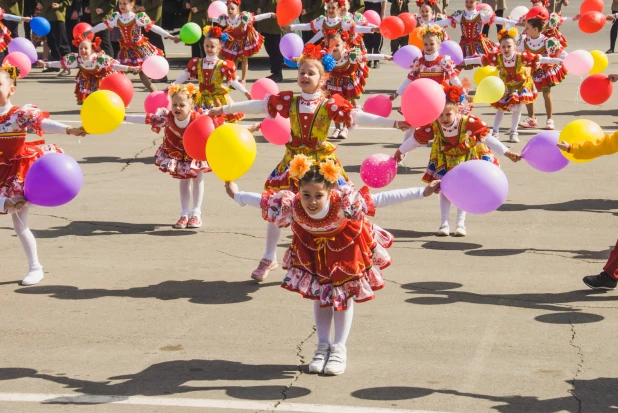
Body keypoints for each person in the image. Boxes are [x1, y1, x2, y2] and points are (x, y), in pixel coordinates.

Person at [208, 45, 410, 281]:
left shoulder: (329, 104)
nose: (305, 76)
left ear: (322, 79)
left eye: (311, 73)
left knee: (342, 205)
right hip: (292, 162)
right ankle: (268, 256)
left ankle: (349, 253)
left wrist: (394, 124)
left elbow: (358, 116)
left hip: (322, 164)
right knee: (276, 205)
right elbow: (257, 106)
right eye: (302, 72)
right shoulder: (288, 101)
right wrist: (222, 108)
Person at [225, 156, 440, 375]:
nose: (312, 201)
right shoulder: (292, 204)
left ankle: (339, 348)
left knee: (343, 296)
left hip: (345, 250)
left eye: (319, 195)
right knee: (321, 295)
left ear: (330, 192)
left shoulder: (344, 202)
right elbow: (261, 200)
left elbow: (382, 198)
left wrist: (422, 192)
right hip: (314, 252)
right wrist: (237, 195)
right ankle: (322, 345)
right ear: (298, 190)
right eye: (306, 195)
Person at [0, 63, 87, 286]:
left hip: (18, 171)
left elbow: (41, 123)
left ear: (11, 90)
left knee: (19, 224)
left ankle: (35, 267)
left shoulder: (18, 114)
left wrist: (69, 129)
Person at [394, 85, 520, 237]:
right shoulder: (433, 125)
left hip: (466, 158)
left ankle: (460, 224)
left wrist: (507, 152)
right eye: (440, 115)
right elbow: (415, 139)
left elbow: (488, 139)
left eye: (448, 114)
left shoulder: (469, 122)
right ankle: (444, 223)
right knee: (445, 190)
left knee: (463, 190)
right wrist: (400, 151)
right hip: (444, 159)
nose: (444, 118)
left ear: (457, 111)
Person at [124, 84, 214, 229]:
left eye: (182, 105)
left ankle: (196, 213)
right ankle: (184, 214)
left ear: (191, 106)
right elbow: (147, 119)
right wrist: (124, 116)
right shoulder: (167, 117)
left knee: (198, 179)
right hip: (178, 152)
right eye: (175, 104)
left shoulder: (199, 118)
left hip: (196, 152)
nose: (177, 108)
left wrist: (248, 128)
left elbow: (219, 128)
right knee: (184, 181)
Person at [463, 27, 561, 143]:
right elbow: (479, 60)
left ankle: (514, 132)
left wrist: (558, 61)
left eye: (509, 46)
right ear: (500, 47)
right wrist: (463, 62)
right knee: (500, 108)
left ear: (515, 46)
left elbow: (540, 58)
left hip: (520, 86)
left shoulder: (521, 56)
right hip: (505, 87)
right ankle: (495, 132)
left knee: (517, 109)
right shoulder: (497, 58)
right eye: (503, 46)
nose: (506, 49)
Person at [83, 0, 180, 92]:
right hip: (126, 49)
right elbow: (103, 25)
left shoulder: (138, 17)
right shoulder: (117, 17)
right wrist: (90, 31)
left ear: (132, 4)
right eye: (120, 3)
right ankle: (118, 96)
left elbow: (154, 28)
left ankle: (155, 95)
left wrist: (170, 36)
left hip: (140, 49)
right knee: (118, 73)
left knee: (143, 77)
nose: (122, 6)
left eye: (125, 3)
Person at [174, 25, 251, 123]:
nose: (209, 49)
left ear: (219, 48)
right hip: (201, 99)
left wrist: (245, 92)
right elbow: (185, 75)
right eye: (207, 46)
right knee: (200, 123)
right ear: (203, 45)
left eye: (212, 46)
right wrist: (173, 85)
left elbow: (233, 82)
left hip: (218, 100)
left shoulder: (223, 65)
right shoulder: (197, 62)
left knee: (219, 122)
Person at [37, 36, 140, 104]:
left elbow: (113, 66)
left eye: (86, 48)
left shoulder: (99, 59)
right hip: (88, 77)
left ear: (92, 50)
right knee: (89, 96)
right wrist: (46, 63)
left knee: (105, 95)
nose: (83, 50)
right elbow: (61, 63)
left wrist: (129, 68)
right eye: (81, 48)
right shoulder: (76, 58)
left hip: (103, 76)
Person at [325, 35, 392, 137]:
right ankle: (337, 128)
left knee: (347, 103)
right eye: (331, 45)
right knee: (334, 104)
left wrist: (384, 56)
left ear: (344, 45)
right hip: (335, 83)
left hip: (348, 81)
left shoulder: (350, 55)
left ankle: (346, 127)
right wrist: (298, 59)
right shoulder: (327, 57)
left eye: (337, 45)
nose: (334, 47)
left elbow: (367, 56)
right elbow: (311, 58)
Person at [516, 10, 567, 131]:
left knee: (546, 94)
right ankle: (531, 118)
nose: (525, 30)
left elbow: (562, 54)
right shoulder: (524, 40)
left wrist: (566, 60)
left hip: (544, 71)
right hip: (529, 71)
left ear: (535, 29)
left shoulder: (548, 41)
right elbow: (517, 53)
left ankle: (550, 120)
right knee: (527, 93)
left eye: (527, 28)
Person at [390, 25, 463, 101]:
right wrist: (397, 93)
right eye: (426, 44)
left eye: (432, 44)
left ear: (438, 44)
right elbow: (409, 79)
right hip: (423, 94)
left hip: (439, 94)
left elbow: (453, 78)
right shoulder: (419, 61)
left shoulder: (443, 61)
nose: (428, 47)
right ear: (422, 44)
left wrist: (464, 92)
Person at [216, 0, 275, 83]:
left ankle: (243, 79)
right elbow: (216, 20)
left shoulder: (243, 17)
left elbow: (256, 18)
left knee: (244, 59)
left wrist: (270, 15)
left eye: (232, 9)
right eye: (228, 9)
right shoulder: (225, 18)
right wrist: (211, 18)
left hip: (244, 39)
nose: (230, 11)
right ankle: (233, 78)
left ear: (237, 10)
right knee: (233, 60)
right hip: (234, 39)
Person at [447, 0, 515, 67]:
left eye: (471, 2)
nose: (468, 4)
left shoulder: (481, 14)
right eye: (467, 2)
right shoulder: (460, 15)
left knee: (486, 60)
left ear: (477, 3)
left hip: (478, 43)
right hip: (465, 44)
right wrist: (436, 24)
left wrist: (512, 22)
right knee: (457, 63)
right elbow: (447, 21)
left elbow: (496, 19)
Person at [39, 0, 72, 75]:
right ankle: (54, 65)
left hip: (57, 16)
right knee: (51, 42)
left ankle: (67, 67)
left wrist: (60, 5)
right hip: (46, 17)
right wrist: (40, 2)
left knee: (62, 43)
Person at [136, 0, 166, 81]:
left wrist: (145, 7)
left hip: (152, 18)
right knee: (147, 47)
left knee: (157, 47)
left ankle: (161, 74)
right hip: (143, 18)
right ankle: (151, 72)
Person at [256, 0, 283, 82]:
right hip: (265, 27)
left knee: (275, 51)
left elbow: (272, 7)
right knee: (270, 50)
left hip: (274, 28)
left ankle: (278, 73)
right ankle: (274, 72)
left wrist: (262, 11)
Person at [363, 0, 385, 68]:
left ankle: (376, 60)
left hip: (377, 7)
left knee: (377, 33)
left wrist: (383, 13)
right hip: (366, 6)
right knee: (366, 34)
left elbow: (384, 1)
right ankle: (368, 59)